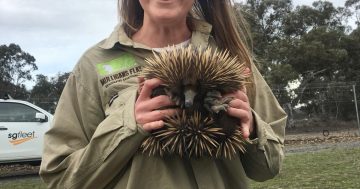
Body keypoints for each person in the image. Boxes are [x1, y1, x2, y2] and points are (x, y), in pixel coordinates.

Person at [39, 0, 287, 188]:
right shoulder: (95, 65)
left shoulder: (229, 56)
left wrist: (251, 125)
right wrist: (127, 125)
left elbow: (268, 168)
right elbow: (59, 179)